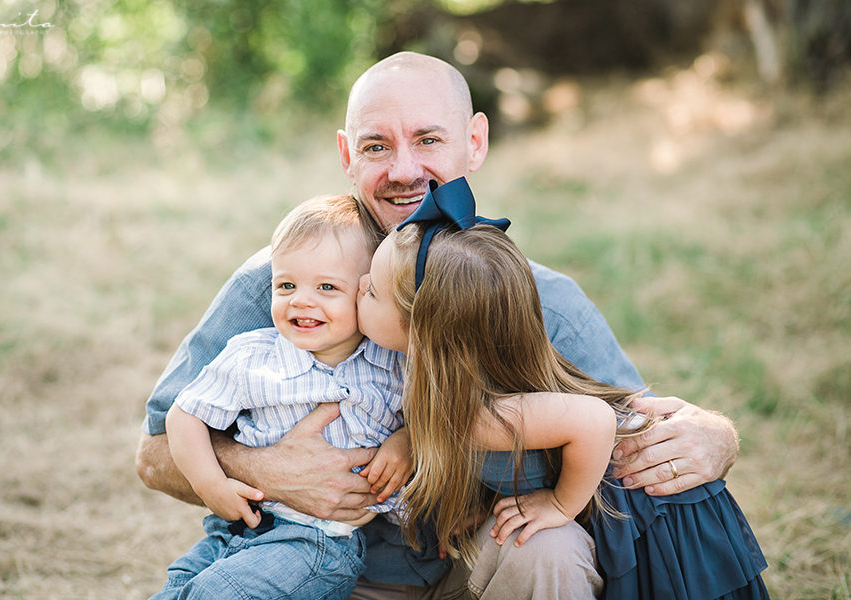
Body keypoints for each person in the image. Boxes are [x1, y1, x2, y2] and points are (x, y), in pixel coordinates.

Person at [136, 51, 742, 598]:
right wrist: (267, 469)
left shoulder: (538, 301)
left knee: (549, 551)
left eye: (428, 140)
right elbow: (154, 454)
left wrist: (717, 437)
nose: (404, 170)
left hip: (472, 567)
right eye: (377, 146)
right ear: (347, 156)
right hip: (316, 566)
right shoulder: (282, 288)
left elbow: (631, 420)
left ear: (474, 143)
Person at [355, 176, 769, 599]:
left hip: (656, 513)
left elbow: (594, 420)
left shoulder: (479, 414)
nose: (358, 287)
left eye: (370, 291)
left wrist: (558, 504)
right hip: (636, 511)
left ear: (421, 332)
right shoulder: (481, 369)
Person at [150, 194, 413, 599]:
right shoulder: (252, 357)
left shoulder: (392, 362)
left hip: (317, 544)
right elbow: (184, 416)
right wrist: (211, 485)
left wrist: (406, 440)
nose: (301, 300)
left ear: (367, 291)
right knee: (178, 590)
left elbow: (439, 419)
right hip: (236, 528)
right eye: (286, 285)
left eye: (327, 287)